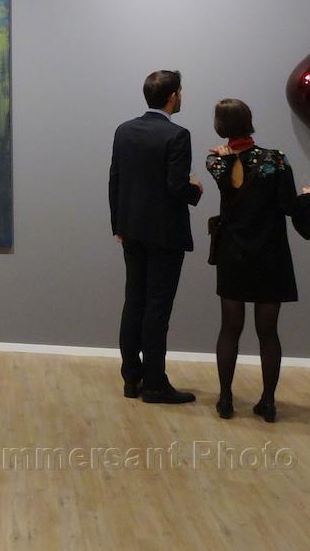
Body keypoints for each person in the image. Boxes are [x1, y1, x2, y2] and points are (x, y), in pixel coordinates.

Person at [205, 99, 310, 422]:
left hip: (232, 254)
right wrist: (309, 197)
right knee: (268, 332)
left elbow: (230, 176)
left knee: (229, 328)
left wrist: (228, 157)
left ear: (220, 126)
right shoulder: (276, 160)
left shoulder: (215, 162)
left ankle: (225, 399)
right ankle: (268, 402)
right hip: (270, 254)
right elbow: (289, 208)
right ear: (249, 120)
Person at [109, 71, 205, 404]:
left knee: (134, 301)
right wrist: (196, 189)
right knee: (157, 308)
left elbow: (115, 180)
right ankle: (154, 383)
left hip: (131, 230)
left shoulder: (124, 130)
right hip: (165, 234)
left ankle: (131, 377)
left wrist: (118, 225)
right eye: (181, 91)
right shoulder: (177, 135)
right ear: (173, 96)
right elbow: (176, 186)